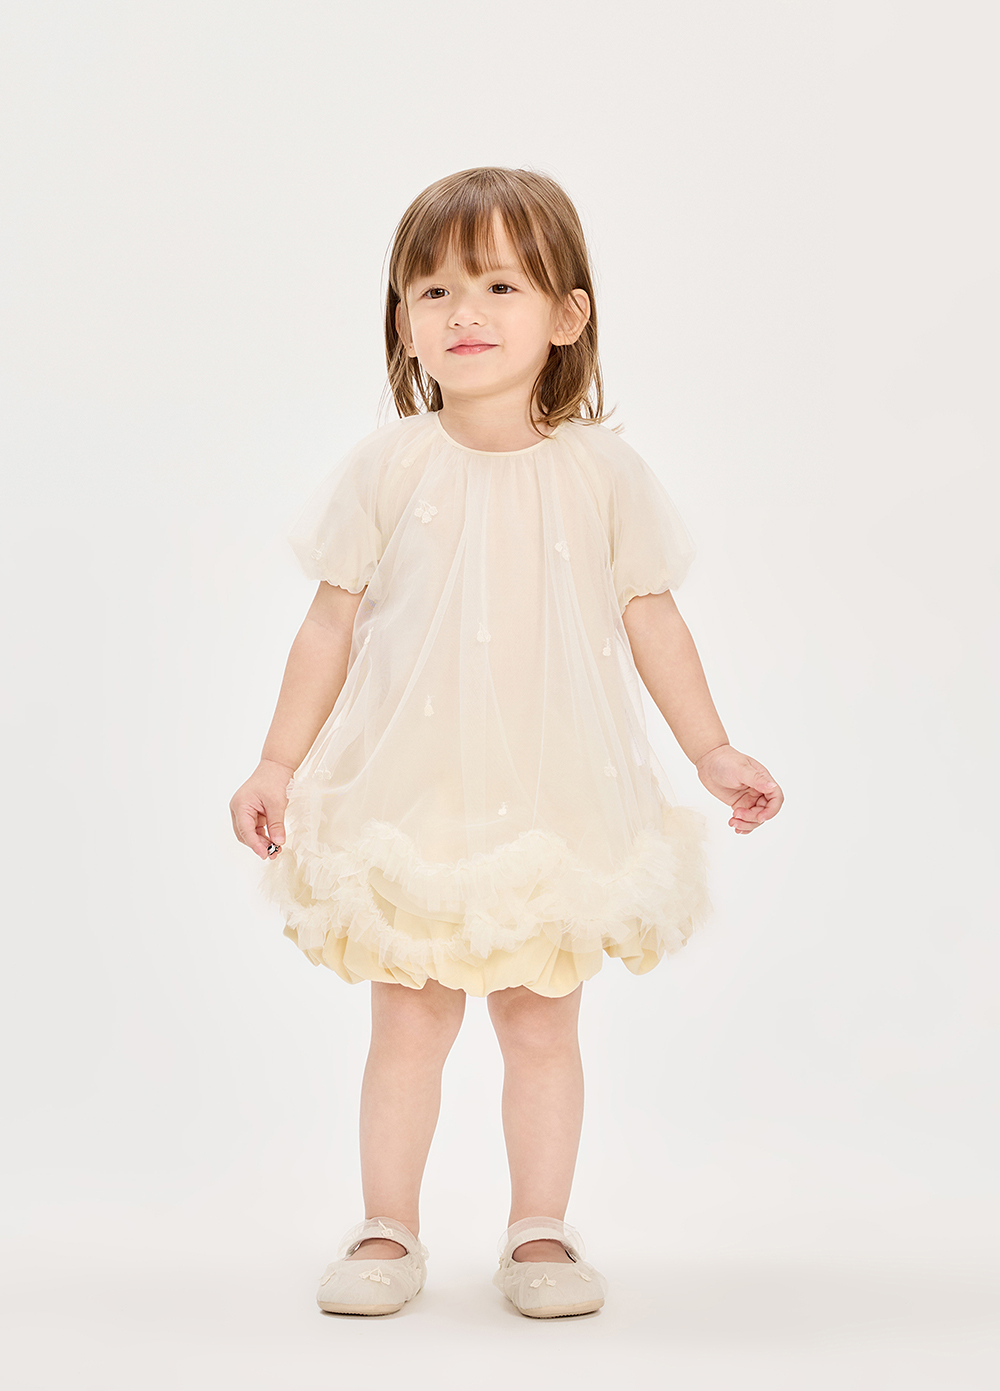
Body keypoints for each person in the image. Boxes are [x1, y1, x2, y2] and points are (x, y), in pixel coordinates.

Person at [229, 166, 784, 1319]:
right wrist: (277, 760)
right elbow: (329, 625)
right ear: (402, 323)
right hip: (412, 794)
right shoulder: (389, 465)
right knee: (409, 1017)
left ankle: (540, 1226)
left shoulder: (602, 472)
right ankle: (387, 1223)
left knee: (539, 1021)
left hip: (551, 797)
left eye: (497, 285)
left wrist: (711, 749)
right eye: (433, 290)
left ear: (566, 316)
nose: (463, 312)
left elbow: (652, 619)